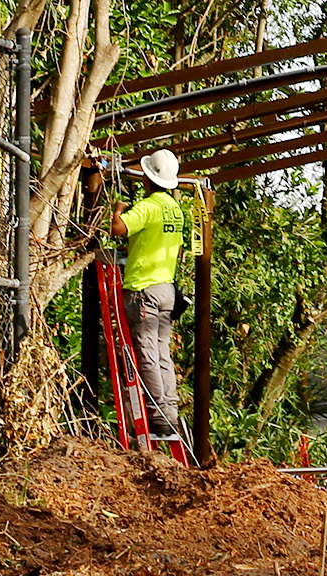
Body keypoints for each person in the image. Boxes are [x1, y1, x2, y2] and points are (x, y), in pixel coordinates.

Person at [108, 148, 192, 441]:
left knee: (146, 354)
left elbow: (119, 227)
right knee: (162, 353)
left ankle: (157, 418)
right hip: (166, 289)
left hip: (144, 289)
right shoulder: (174, 209)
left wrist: (118, 209)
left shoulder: (150, 205)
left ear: (148, 177)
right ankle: (169, 413)